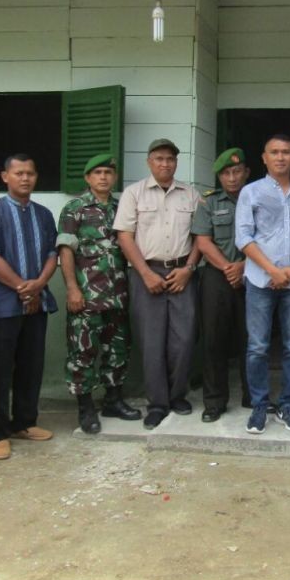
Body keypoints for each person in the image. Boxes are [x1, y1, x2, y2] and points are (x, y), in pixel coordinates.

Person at [0, 154, 58, 460]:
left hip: (38, 301)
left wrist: (38, 285)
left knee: (31, 365)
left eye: (30, 173)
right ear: (5, 176)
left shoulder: (44, 214)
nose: (25, 178)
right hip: (1, 306)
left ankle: (25, 422)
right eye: (19, 173)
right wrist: (23, 287)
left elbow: (53, 254)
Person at [114, 139, 201, 430]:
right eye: (159, 158)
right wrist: (145, 274)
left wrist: (188, 269)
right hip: (146, 273)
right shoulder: (133, 194)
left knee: (184, 339)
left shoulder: (190, 194)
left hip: (182, 273)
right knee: (151, 342)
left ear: (176, 163)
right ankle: (157, 404)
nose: (165, 164)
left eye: (170, 159)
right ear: (149, 161)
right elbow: (125, 237)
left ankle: (177, 396)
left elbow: (201, 236)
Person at [235, 135, 290, 435]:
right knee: (258, 347)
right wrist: (272, 270)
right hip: (260, 280)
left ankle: (288, 405)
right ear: (264, 158)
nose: (280, 157)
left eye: (286, 153)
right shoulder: (250, 192)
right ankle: (259, 406)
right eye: (274, 152)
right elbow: (243, 237)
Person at [57, 154, 141, 435]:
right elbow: (66, 250)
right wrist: (71, 288)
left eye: (108, 172)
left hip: (118, 295)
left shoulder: (122, 208)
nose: (103, 177)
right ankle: (85, 407)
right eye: (97, 173)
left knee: (117, 350)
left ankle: (113, 400)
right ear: (87, 178)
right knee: (83, 352)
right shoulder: (75, 209)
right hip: (87, 296)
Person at [192, 148, 251, 423]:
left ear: (246, 173)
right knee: (214, 339)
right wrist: (229, 268)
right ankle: (214, 401)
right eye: (226, 173)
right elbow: (203, 241)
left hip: (253, 273)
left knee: (251, 338)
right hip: (217, 275)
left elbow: (265, 237)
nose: (232, 177)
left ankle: (254, 395)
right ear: (219, 176)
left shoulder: (258, 199)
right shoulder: (209, 203)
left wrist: (243, 266)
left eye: (237, 171)